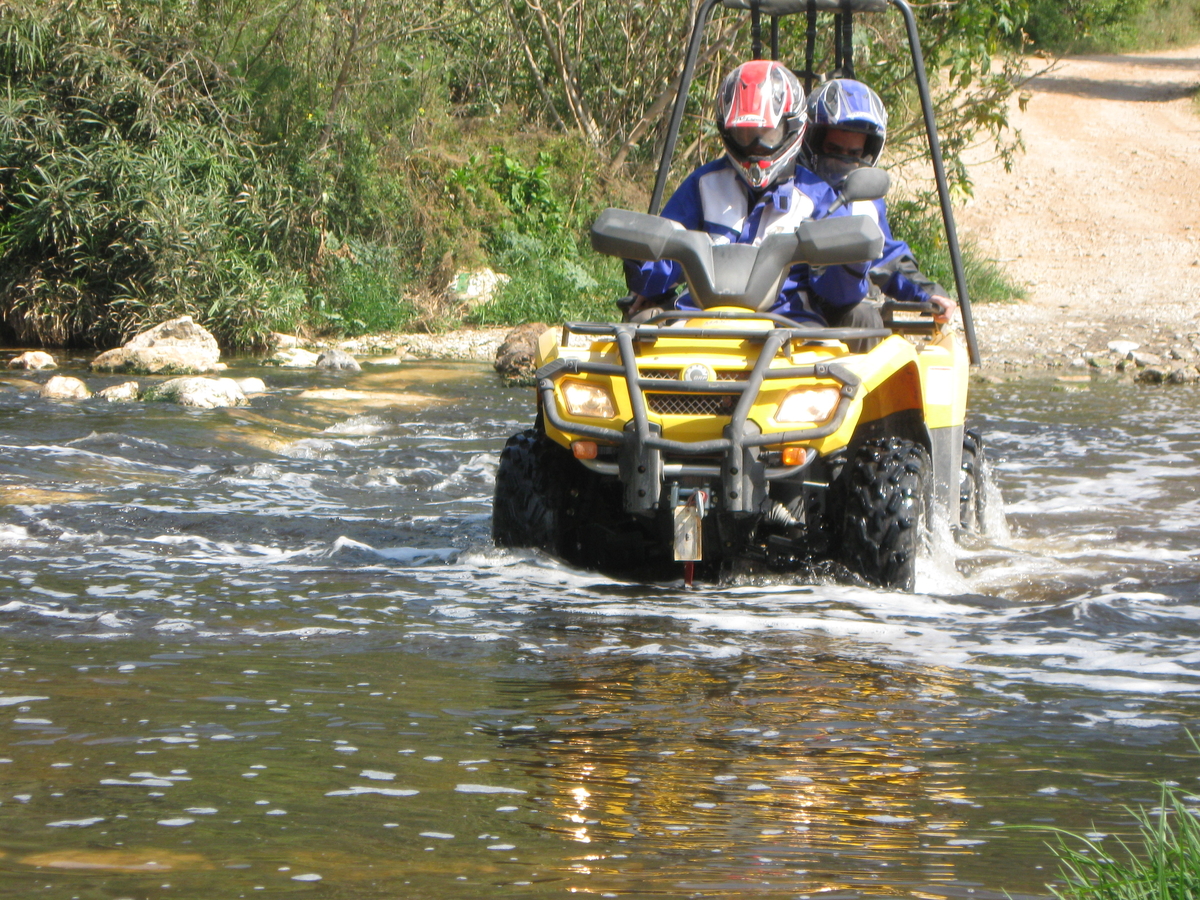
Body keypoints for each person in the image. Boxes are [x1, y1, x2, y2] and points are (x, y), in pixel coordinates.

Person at [623, 60, 878, 333]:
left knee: (830, 359)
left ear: (793, 128)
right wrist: (639, 254)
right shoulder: (703, 184)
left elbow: (836, 295)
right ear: (726, 131)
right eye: (743, 134)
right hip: (698, 319)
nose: (755, 146)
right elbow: (659, 268)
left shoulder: (820, 197)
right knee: (640, 334)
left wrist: (852, 264)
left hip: (789, 323)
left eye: (766, 133)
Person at [801, 78, 957, 325]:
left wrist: (929, 292)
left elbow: (887, 262)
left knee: (864, 317)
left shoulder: (866, 198)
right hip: (788, 307)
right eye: (834, 149)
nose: (842, 162)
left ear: (868, 152)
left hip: (843, 311)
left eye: (853, 155)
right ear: (814, 141)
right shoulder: (788, 186)